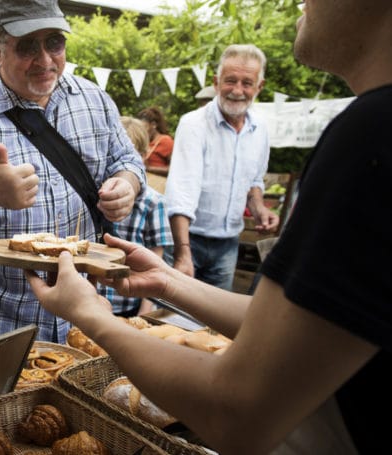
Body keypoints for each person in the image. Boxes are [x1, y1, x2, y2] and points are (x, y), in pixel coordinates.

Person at [26, 0, 392, 452]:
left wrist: (90, 315)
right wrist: (170, 283)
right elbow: (294, 331)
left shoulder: (372, 134)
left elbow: (234, 412)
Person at [0, 0, 146, 350]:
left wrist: (127, 184)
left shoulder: (94, 99)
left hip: (82, 310)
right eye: (28, 46)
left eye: (55, 43)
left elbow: (128, 160)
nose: (45, 60)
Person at [165, 44, 279, 291]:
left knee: (214, 324)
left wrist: (259, 209)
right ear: (217, 82)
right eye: (230, 81)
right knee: (171, 316)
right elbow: (182, 192)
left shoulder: (260, 128)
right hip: (187, 240)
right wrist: (182, 254)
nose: (237, 90)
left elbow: (254, 181)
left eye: (247, 83)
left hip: (228, 245)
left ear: (259, 87)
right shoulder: (194, 124)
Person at [99, 116, 173, 317]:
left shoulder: (153, 202)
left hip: (130, 305)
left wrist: (145, 313)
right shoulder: (97, 194)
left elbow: (156, 262)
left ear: (143, 155)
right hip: (94, 301)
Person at [136, 106, 173, 175]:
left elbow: (175, 169)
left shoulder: (165, 141)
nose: (142, 132)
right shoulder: (143, 141)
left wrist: (149, 168)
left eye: (144, 128)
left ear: (153, 125)